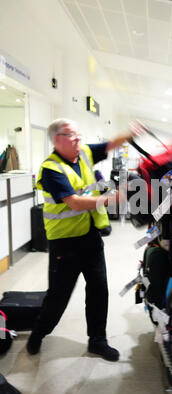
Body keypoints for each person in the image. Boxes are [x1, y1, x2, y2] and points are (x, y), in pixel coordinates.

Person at [26, 118, 133, 361]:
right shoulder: (51, 169)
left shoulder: (83, 153)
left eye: (78, 135)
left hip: (91, 238)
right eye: (71, 135)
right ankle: (39, 333)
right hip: (65, 243)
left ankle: (97, 340)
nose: (78, 140)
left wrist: (129, 133)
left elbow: (107, 145)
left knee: (99, 290)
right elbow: (73, 201)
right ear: (57, 139)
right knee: (58, 296)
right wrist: (111, 199)